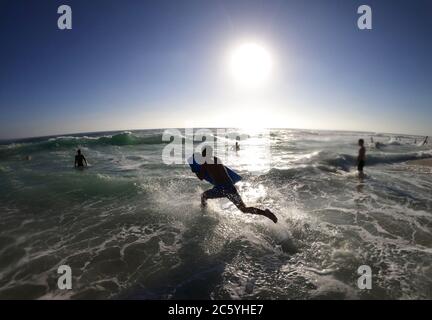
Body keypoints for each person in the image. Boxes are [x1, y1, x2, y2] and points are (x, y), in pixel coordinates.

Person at [196, 147, 277, 223]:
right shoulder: (217, 160)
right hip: (229, 186)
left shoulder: (206, 163)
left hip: (222, 188)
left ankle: (203, 213)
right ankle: (265, 213)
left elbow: (200, 177)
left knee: (204, 196)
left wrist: (195, 169)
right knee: (244, 209)